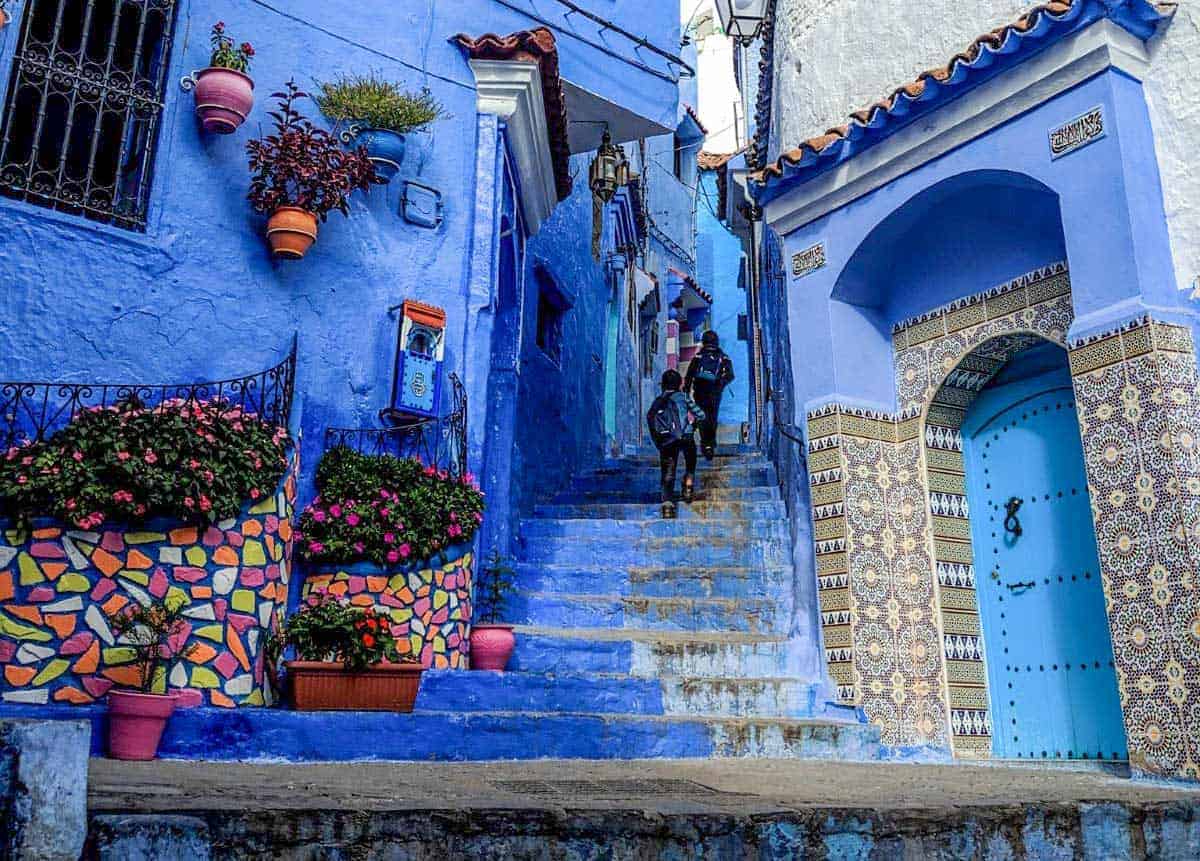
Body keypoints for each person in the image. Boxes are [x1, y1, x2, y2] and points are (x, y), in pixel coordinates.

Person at [646, 369, 706, 519]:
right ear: (679, 384)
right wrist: (693, 422)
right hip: (686, 436)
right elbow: (701, 415)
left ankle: (667, 505)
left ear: (663, 385)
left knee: (668, 471)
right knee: (691, 459)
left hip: (667, 440)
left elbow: (652, 419)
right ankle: (688, 482)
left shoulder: (658, 401)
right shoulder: (684, 398)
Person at [684, 330, 735, 460]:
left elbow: (690, 374)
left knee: (702, 416)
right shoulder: (724, 357)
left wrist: (686, 389)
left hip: (700, 390)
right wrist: (720, 384)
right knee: (712, 417)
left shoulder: (699, 356)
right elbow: (730, 375)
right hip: (715, 392)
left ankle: (704, 443)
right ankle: (709, 445)